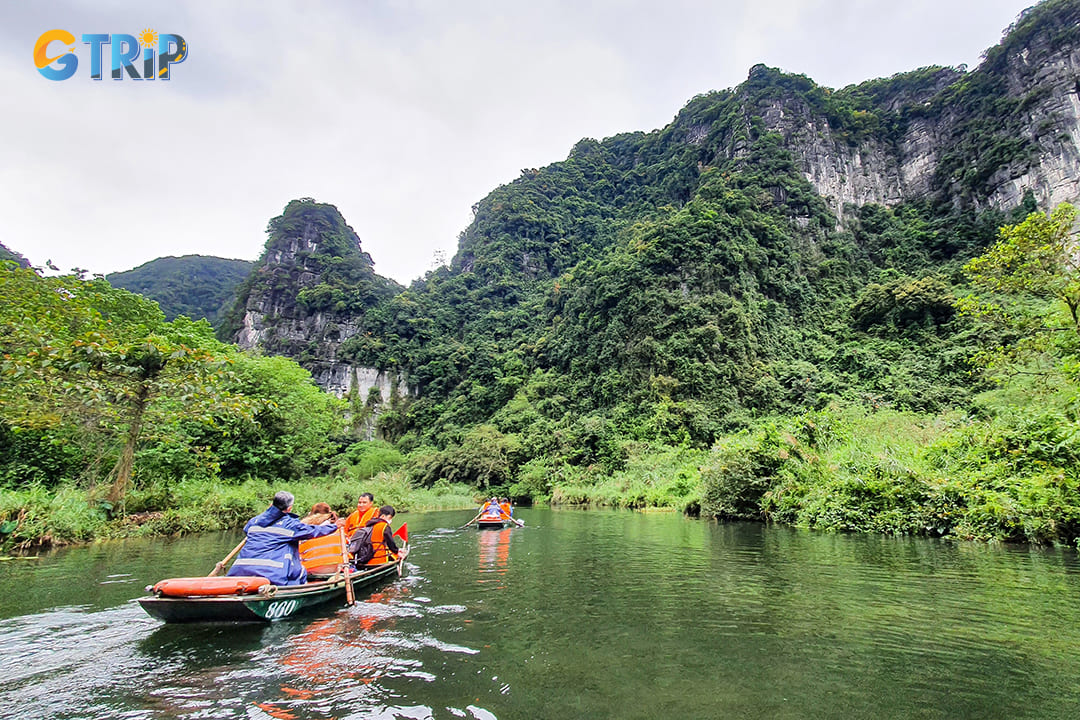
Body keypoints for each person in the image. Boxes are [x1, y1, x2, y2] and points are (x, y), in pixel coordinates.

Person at [228, 491, 336, 585]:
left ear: (271, 504)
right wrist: (335, 526)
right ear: (289, 508)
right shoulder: (290, 525)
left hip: (239, 571)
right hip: (272, 576)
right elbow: (313, 531)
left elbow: (247, 530)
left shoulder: (254, 522)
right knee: (300, 572)